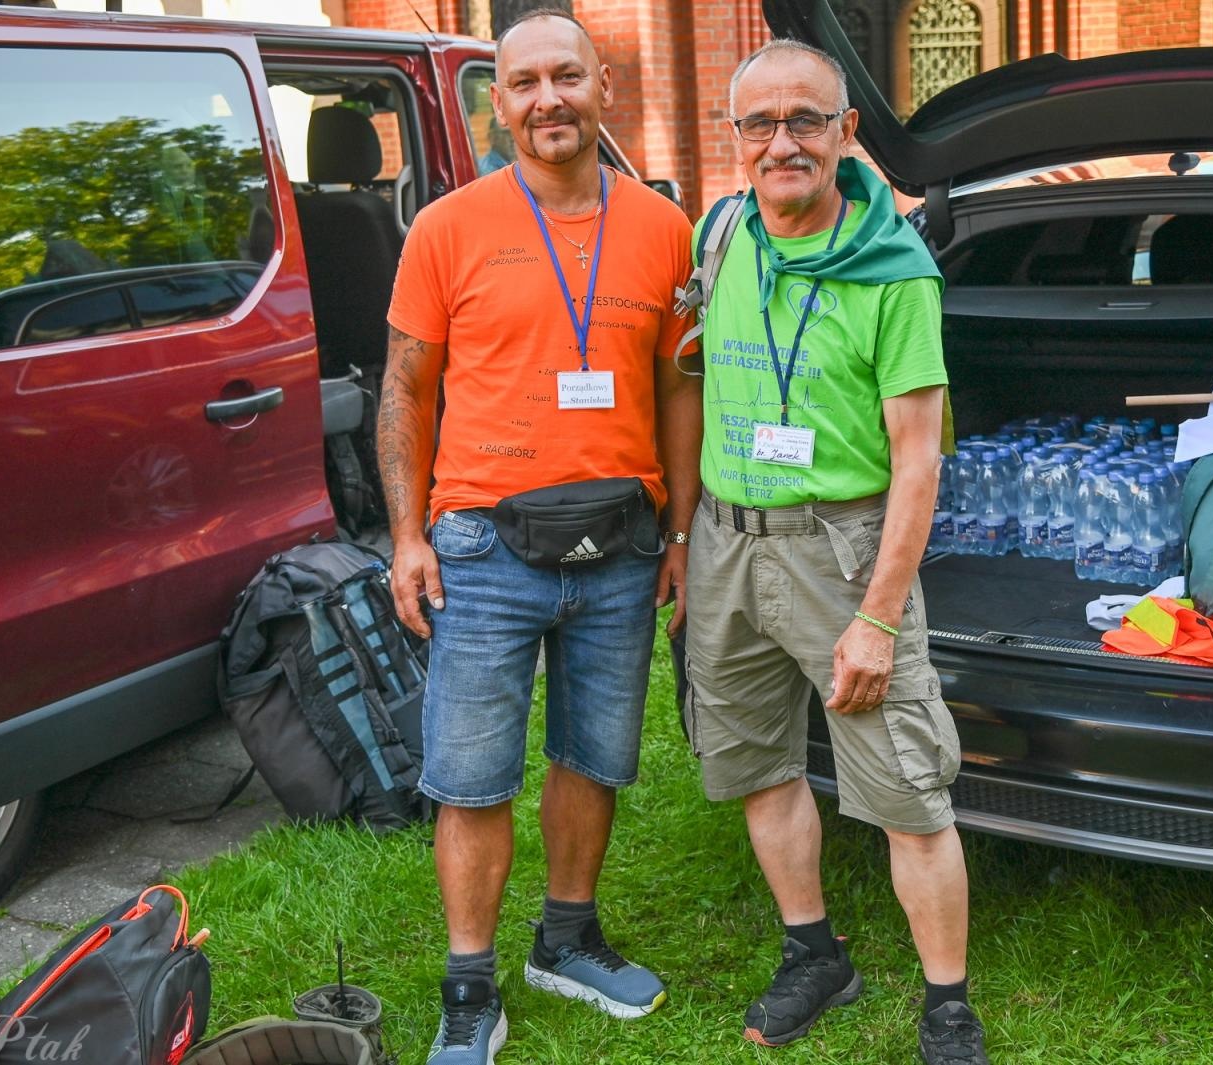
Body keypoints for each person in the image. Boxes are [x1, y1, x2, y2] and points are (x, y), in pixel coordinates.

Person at [378, 9, 702, 1064]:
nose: (547, 99)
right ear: (499, 101)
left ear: (602, 86)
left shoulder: (664, 227)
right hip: (479, 546)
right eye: (523, 84)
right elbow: (404, 390)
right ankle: (469, 986)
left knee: (593, 757)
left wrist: (683, 533)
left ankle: (566, 939)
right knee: (472, 777)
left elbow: (676, 387)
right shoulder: (447, 227)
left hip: (621, 542)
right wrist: (405, 536)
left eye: (567, 77)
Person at [682, 38, 989, 1065]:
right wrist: (687, 538)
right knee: (760, 765)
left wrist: (876, 616)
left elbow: (917, 465)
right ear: (736, 141)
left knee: (906, 792)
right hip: (727, 540)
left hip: (842, 546)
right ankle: (814, 951)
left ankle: (947, 1006)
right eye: (759, 124)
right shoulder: (721, 233)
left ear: (845, 133)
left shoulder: (896, 273)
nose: (782, 142)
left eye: (805, 120)